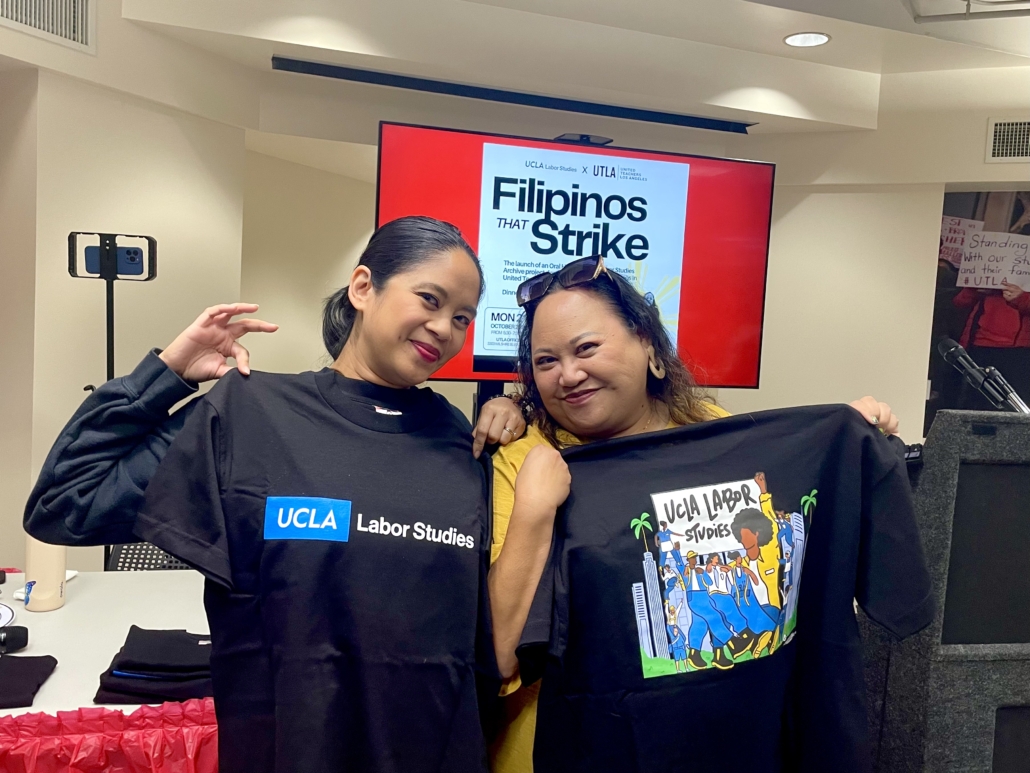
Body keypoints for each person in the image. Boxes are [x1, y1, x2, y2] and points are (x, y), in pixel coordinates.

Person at [24, 216, 527, 773]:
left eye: (462, 317)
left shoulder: (468, 445)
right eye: (429, 299)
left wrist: (524, 412)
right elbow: (65, 504)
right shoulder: (251, 415)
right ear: (363, 288)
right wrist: (167, 375)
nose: (444, 328)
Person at [486, 255, 901, 773]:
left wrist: (848, 438)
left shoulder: (718, 434)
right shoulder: (526, 459)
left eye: (586, 347)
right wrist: (533, 510)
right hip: (571, 750)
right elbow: (499, 654)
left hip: (730, 743)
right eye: (546, 361)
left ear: (649, 348)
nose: (568, 375)